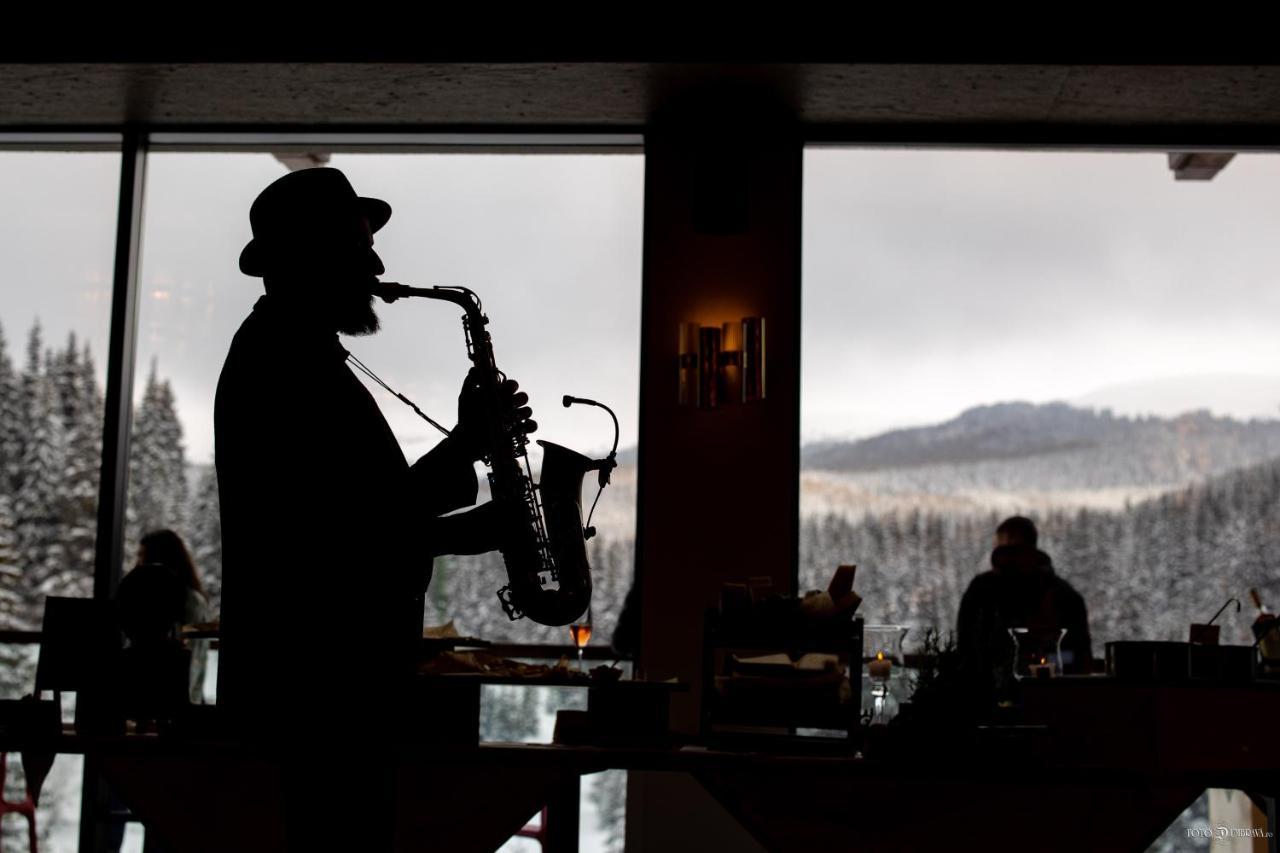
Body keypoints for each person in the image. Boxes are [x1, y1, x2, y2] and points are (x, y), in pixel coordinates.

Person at [215, 167, 531, 850]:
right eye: (360, 248)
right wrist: (465, 513)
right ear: (311, 256)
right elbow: (333, 536)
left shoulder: (297, 352)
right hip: (320, 698)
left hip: (326, 694)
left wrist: (467, 446)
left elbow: (354, 515)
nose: (379, 265)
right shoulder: (281, 363)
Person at [956, 516, 1094, 686]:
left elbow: (966, 648)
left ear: (1003, 542)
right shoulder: (1065, 594)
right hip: (1054, 695)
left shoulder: (982, 590)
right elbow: (1079, 656)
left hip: (989, 696)